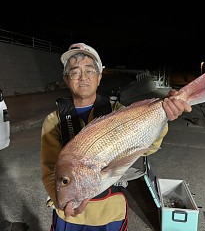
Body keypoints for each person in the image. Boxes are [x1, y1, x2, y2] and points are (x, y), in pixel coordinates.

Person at [40, 42, 192, 231]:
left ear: (99, 77)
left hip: (112, 212)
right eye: (74, 71)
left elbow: (148, 148)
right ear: (66, 79)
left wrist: (165, 117)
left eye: (90, 70)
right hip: (70, 219)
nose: (83, 77)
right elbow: (49, 170)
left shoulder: (118, 112)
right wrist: (60, 201)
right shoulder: (53, 120)